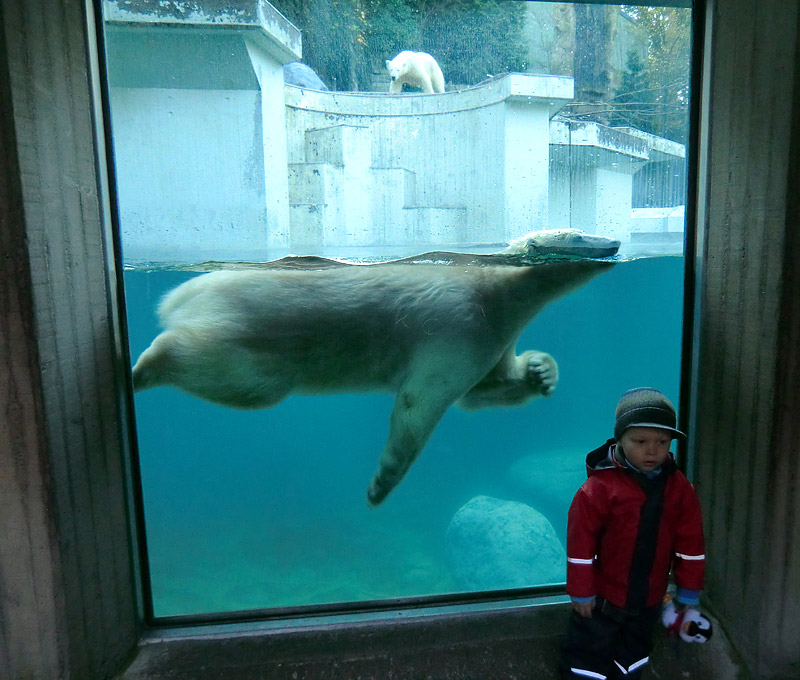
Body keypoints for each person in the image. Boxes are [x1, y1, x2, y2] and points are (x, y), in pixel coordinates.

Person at [560, 387, 706, 680]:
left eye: (662, 442)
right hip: (602, 599)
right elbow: (581, 547)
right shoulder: (598, 490)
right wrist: (581, 591)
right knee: (587, 657)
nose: (652, 450)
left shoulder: (679, 488)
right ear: (620, 439)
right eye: (640, 441)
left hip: (649, 599)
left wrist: (689, 590)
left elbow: (690, 543)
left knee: (634, 657)